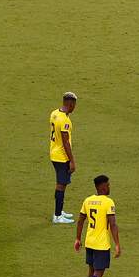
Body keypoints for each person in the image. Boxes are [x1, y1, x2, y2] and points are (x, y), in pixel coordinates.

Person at [73, 175, 121, 277]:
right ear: (102, 187)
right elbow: (113, 224)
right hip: (101, 244)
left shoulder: (88, 200)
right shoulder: (108, 202)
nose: (109, 187)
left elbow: (80, 220)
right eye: (108, 185)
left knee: (92, 272)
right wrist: (117, 244)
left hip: (89, 242)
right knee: (98, 274)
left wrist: (77, 239)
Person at [49, 92, 78, 224]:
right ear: (70, 104)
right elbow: (66, 142)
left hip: (54, 152)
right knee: (61, 185)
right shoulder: (65, 120)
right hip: (61, 157)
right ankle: (57, 215)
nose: (74, 108)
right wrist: (72, 160)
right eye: (74, 105)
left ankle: (60, 211)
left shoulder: (54, 113)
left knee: (62, 184)